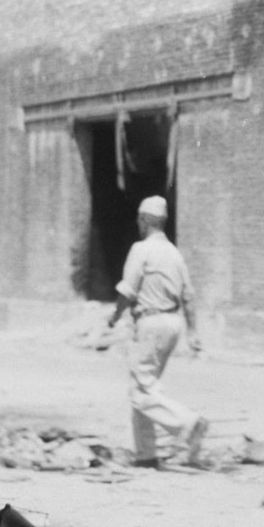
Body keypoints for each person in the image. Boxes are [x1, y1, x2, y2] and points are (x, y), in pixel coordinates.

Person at [107, 196, 209, 469]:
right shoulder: (174, 253)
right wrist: (193, 332)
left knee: (141, 392)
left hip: (151, 323)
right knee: (145, 386)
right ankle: (146, 454)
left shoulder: (141, 249)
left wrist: (115, 315)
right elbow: (188, 295)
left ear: (144, 220)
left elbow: (127, 290)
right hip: (172, 323)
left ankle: (187, 423)